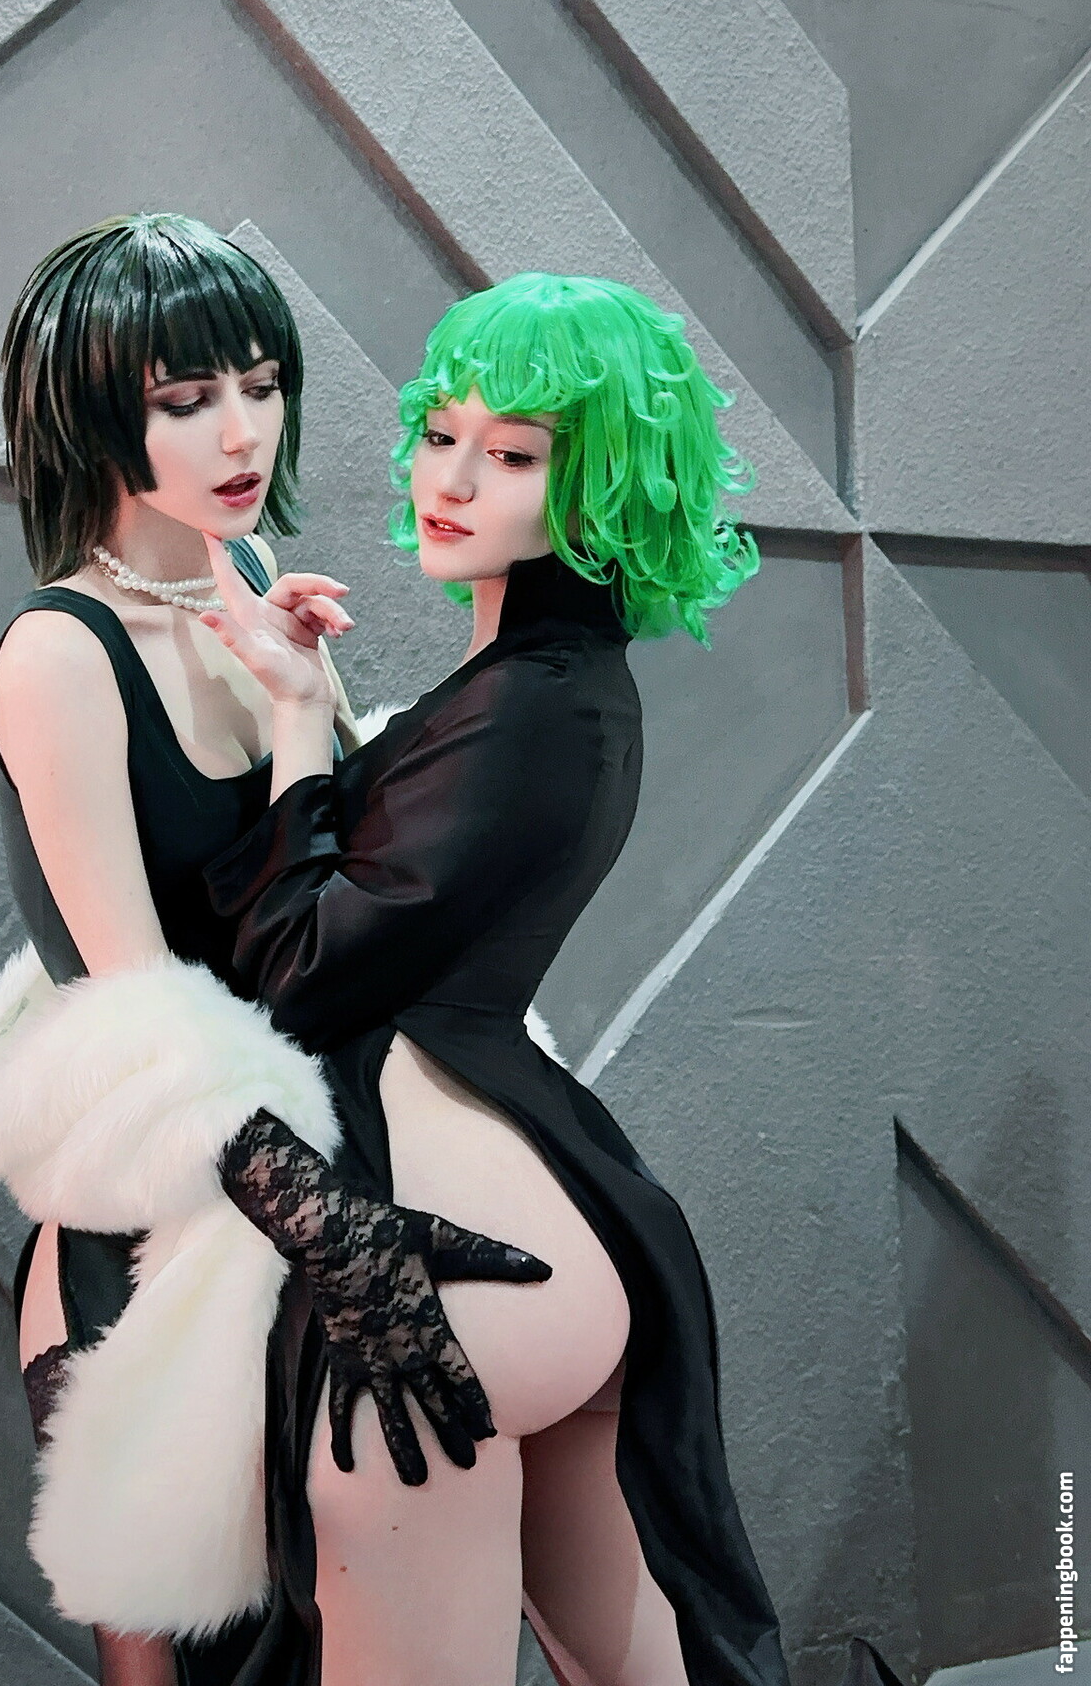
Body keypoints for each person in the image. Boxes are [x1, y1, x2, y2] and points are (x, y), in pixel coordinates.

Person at [0, 214, 550, 1686]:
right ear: (92, 414)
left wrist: (301, 707)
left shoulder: (250, 572)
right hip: (161, 1240)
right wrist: (338, 1234)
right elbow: (141, 1012)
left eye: (261, 385)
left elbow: (322, 906)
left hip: (316, 1177)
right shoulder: (58, 653)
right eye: (186, 398)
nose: (241, 431)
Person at [186, 271, 790, 1686]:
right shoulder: (536, 687)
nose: (451, 480)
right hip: (536, 1236)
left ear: (607, 484)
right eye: (440, 434)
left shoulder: (531, 708)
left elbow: (300, 973)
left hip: (446, 1273)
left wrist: (293, 726)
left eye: (514, 455)